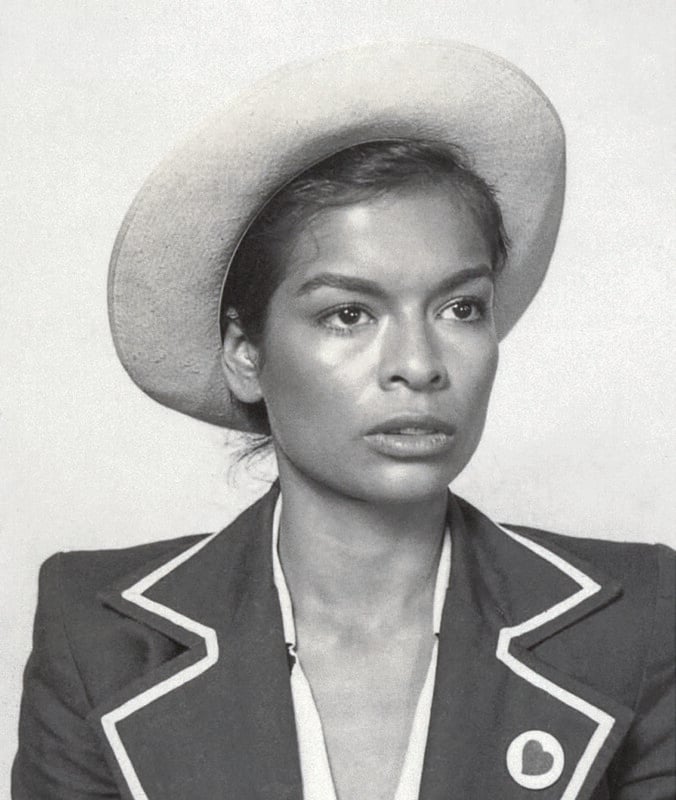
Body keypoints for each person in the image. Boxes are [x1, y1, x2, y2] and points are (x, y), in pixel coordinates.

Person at [12, 42, 675, 800]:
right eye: (349, 314)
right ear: (244, 354)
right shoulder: (101, 639)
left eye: (460, 308)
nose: (419, 364)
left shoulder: (638, 618)